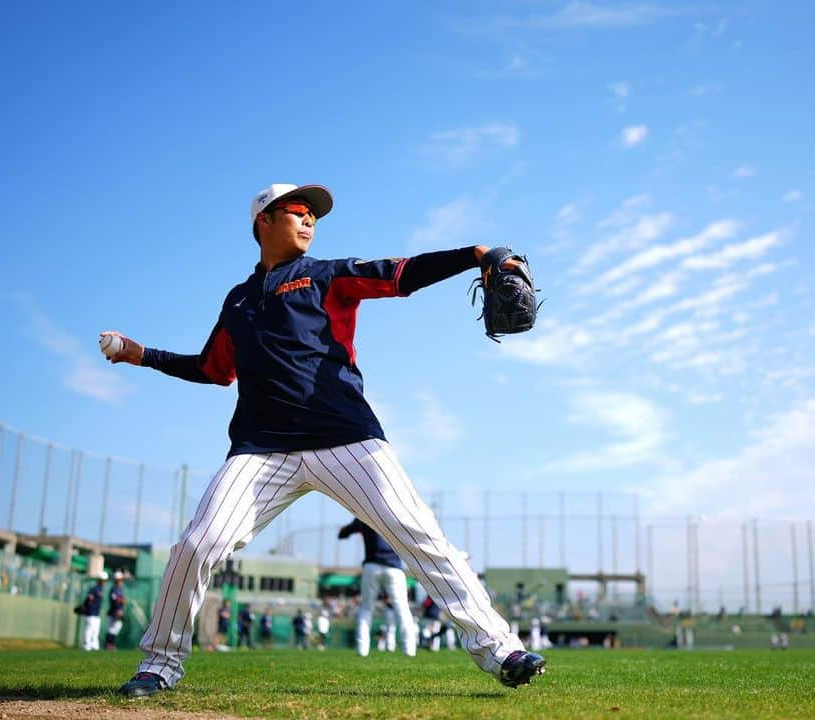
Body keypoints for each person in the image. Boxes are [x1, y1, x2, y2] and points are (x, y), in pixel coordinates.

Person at [109, 183, 543, 697]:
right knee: (196, 545)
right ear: (262, 222)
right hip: (260, 449)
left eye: (314, 214)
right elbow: (213, 369)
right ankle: (159, 664)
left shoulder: (326, 274)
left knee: (421, 535)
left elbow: (401, 273)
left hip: (346, 438)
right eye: (297, 210)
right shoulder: (240, 301)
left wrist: (475, 255)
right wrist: (145, 355)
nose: (310, 219)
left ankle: (501, 650)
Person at [339, 517, 417, 657]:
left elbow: (343, 534)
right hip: (394, 568)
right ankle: (409, 650)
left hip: (372, 566)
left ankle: (362, 650)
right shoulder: (396, 517)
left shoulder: (364, 515)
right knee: (402, 609)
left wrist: (344, 529)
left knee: (366, 608)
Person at [80, 572, 106, 651]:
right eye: (102, 580)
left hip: (96, 613)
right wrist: (86, 607)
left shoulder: (101, 589)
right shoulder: (94, 589)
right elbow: (89, 600)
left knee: (95, 631)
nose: (104, 582)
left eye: (104, 580)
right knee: (89, 629)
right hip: (90, 612)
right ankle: (87, 645)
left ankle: (94, 645)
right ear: (99, 580)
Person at [105, 570, 127, 650]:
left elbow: (119, 599)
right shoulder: (114, 589)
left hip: (117, 611)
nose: (122, 581)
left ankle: (110, 644)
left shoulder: (119, 588)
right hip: (114, 612)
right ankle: (109, 644)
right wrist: (119, 609)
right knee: (113, 628)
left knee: (115, 628)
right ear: (117, 580)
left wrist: (122, 601)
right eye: (121, 579)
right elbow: (115, 599)